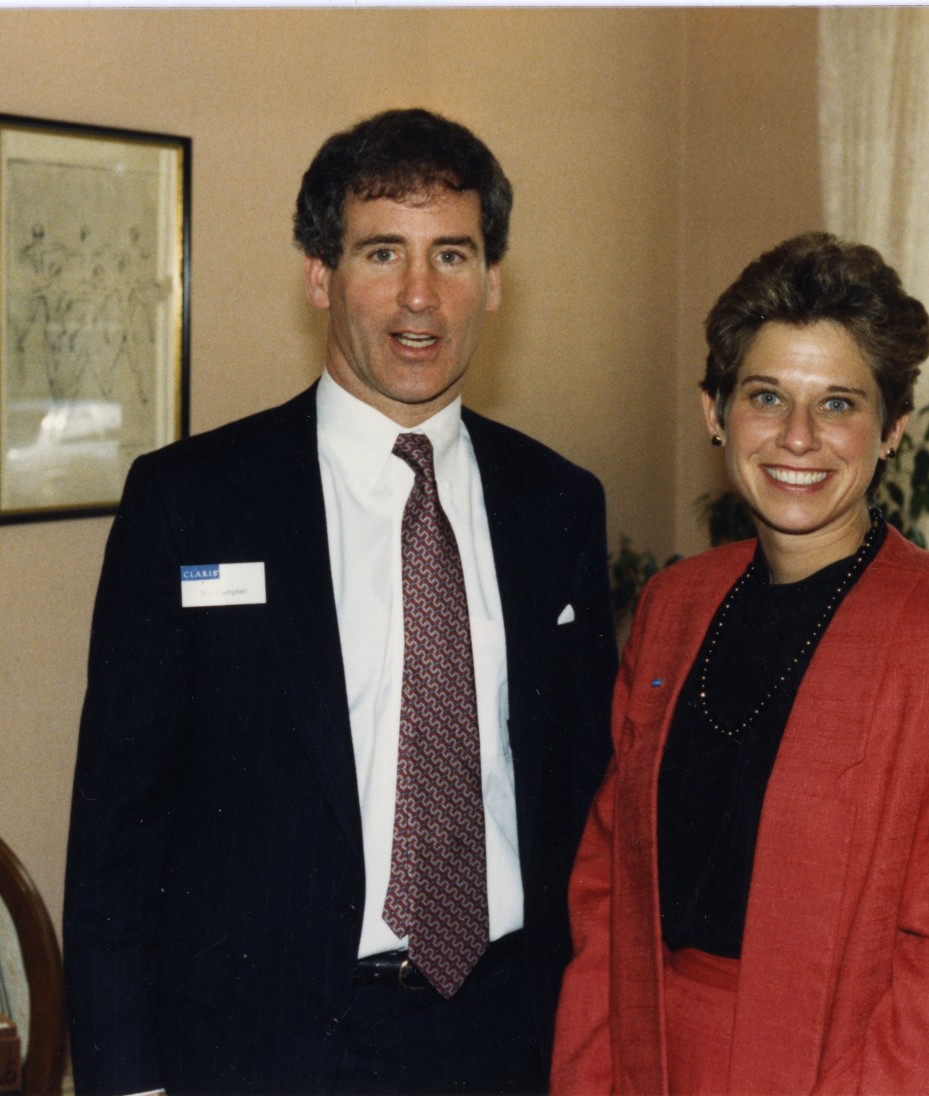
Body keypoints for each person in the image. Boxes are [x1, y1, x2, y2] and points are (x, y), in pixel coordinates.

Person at [63, 107, 617, 1096]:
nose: (420, 295)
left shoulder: (557, 505)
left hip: (504, 1037)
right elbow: (117, 831)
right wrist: (126, 1081)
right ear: (320, 275)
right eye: (381, 253)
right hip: (264, 1046)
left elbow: (585, 801)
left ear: (493, 281)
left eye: (452, 254)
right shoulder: (192, 503)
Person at [552, 232, 929, 1094]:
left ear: (892, 429)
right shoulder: (674, 607)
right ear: (715, 412)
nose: (797, 436)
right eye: (766, 396)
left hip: (849, 1068)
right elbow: (609, 891)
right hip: (649, 1055)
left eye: (838, 404)